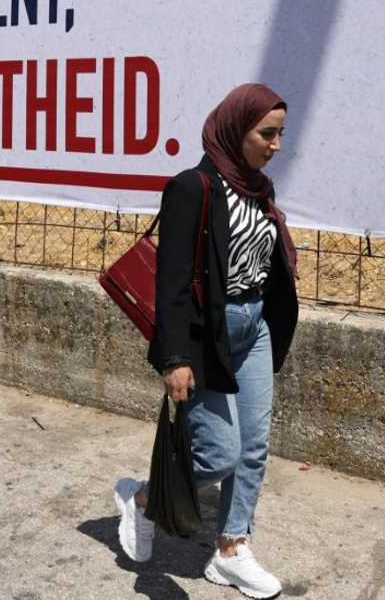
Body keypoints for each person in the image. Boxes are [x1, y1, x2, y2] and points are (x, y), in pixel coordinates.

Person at [114, 83, 299, 599]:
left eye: (281, 134)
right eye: (267, 133)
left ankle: (232, 549)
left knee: (254, 448)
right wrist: (174, 358)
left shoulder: (260, 188)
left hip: (254, 327)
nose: (276, 145)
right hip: (205, 335)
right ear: (236, 129)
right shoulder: (191, 188)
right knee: (218, 454)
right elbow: (171, 281)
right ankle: (146, 500)